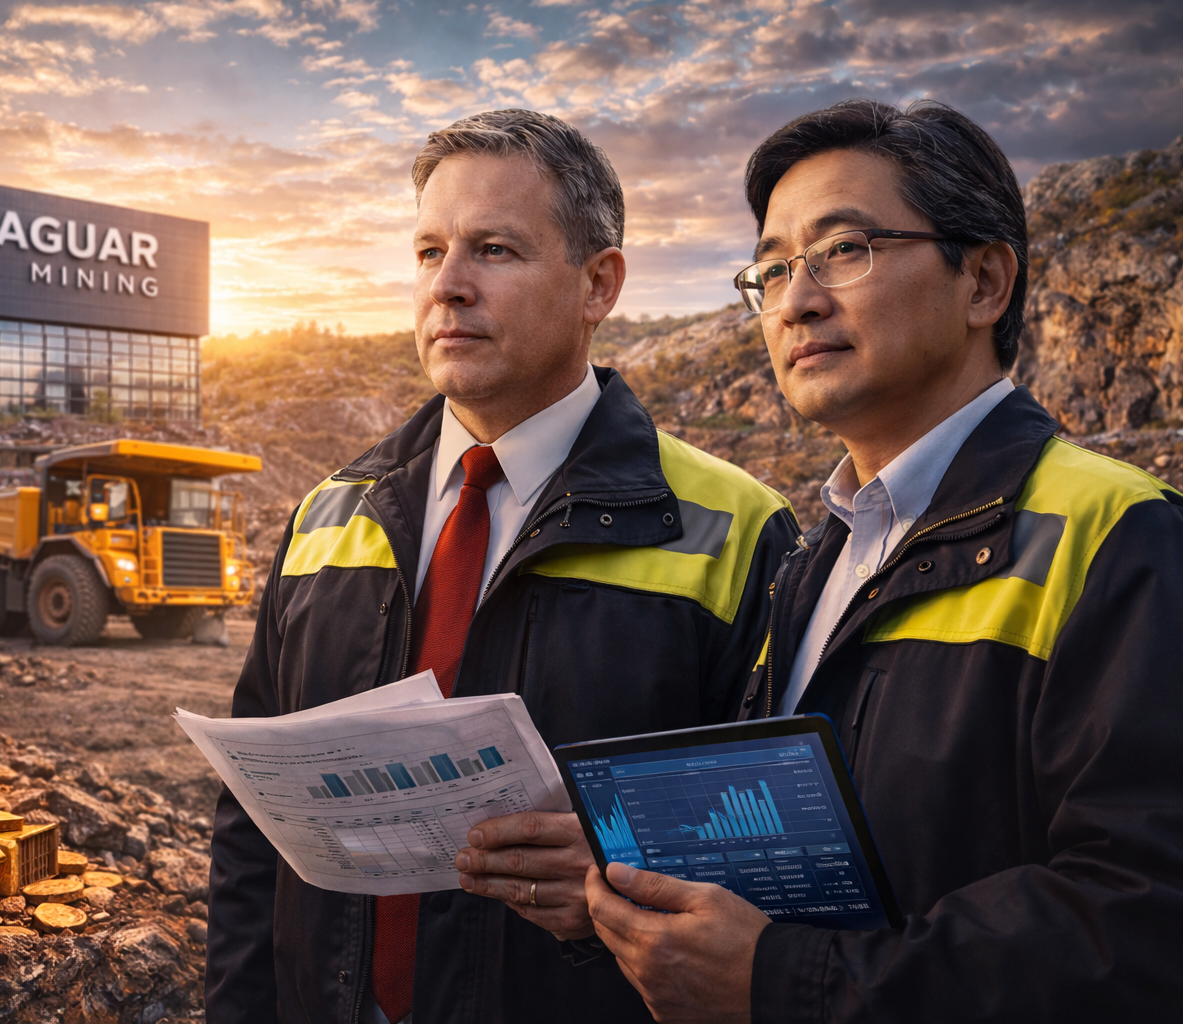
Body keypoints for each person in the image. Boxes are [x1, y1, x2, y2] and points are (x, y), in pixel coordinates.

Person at [584, 97, 1183, 1022]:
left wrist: (782, 980)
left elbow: (1144, 925)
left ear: (983, 282)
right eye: (774, 267)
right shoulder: (819, 556)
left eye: (845, 250)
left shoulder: (1122, 538)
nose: (796, 300)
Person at [207, 108, 800, 1024]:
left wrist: (609, 876)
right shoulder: (329, 513)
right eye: (427, 251)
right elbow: (252, 835)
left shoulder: (738, 530)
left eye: (493, 250)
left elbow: (777, 854)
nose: (447, 286)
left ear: (599, 284)